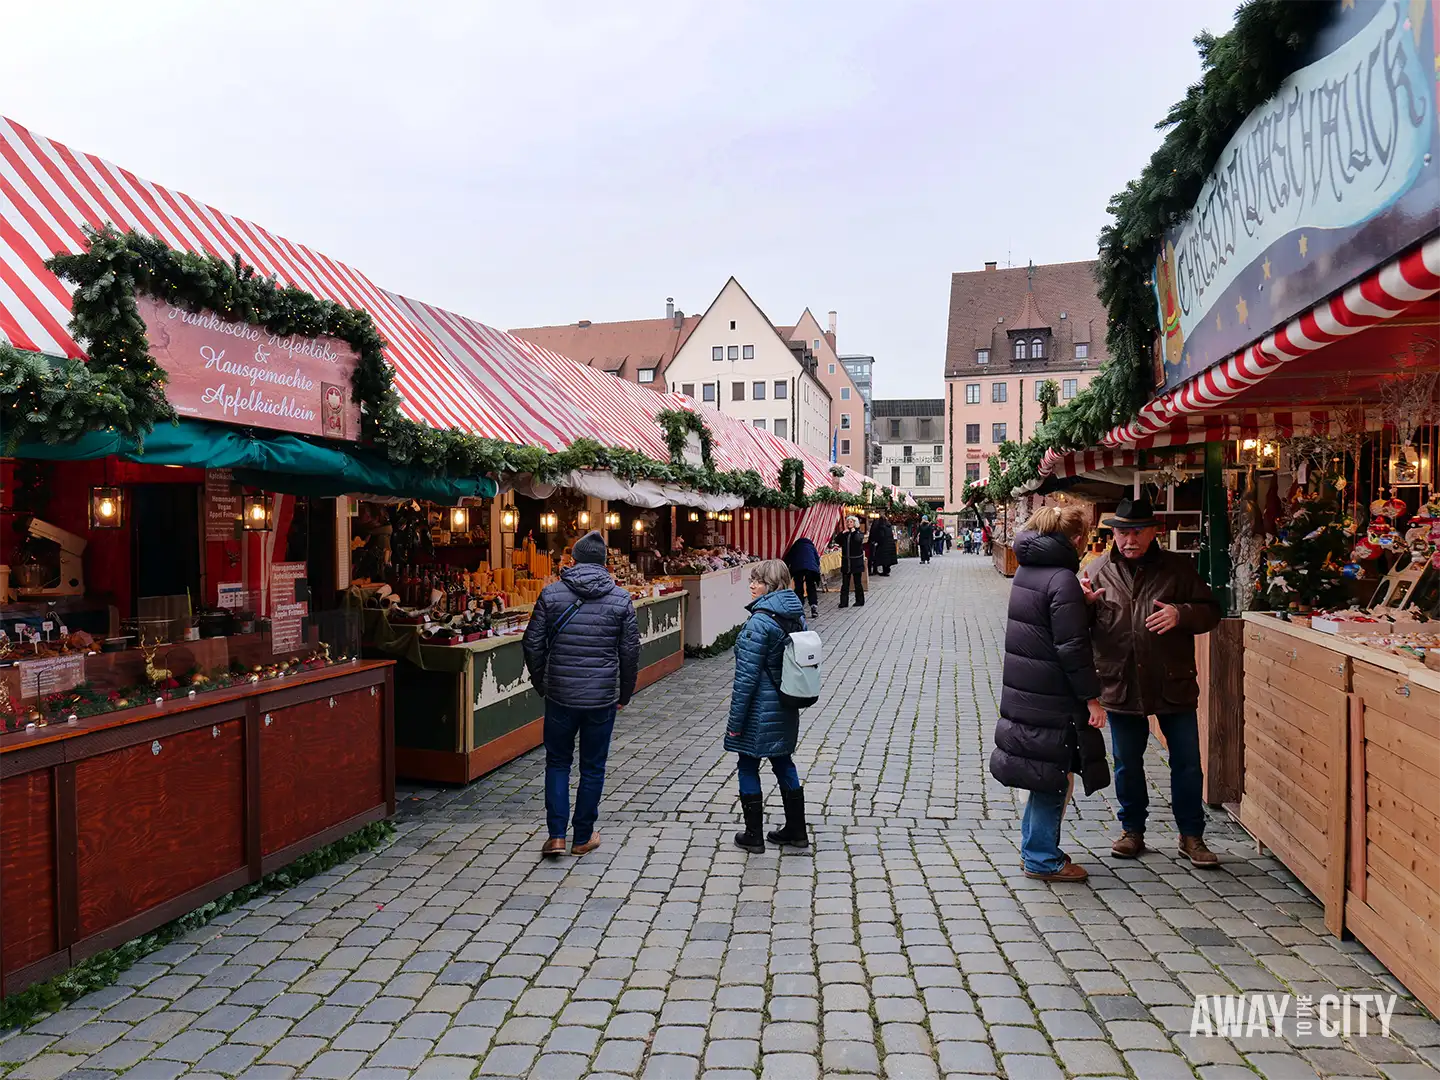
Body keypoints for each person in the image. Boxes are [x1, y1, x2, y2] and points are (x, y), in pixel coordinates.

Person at [1082, 496, 1223, 867]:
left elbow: (1212, 611)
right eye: (1123, 532)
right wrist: (1084, 607)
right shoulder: (1096, 571)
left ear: (1153, 532)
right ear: (1112, 533)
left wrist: (1182, 613)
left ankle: (1191, 835)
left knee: (1188, 763)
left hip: (1171, 680)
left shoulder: (1178, 568)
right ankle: (1132, 831)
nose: (1130, 540)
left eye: (1138, 532)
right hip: (1121, 682)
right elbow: (1077, 629)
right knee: (1127, 763)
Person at [990, 505, 1110, 882]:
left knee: (1042, 773)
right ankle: (1042, 858)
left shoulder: (1029, 569)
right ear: (1076, 540)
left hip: (1029, 688)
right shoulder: (1062, 578)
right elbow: (1072, 647)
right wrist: (1092, 698)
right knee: (1051, 775)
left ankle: (1035, 849)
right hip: (1052, 694)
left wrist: (1082, 606)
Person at [522, 530, 640, 859]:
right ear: (604, 563)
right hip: (602, 698)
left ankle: (556, 835)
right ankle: (583, 836)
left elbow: (532, 643)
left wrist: (543, 682)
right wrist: (625, 692)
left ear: (573, 560)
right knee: (593, 767)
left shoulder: (551, 594)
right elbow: (630, 652)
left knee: (558, 762)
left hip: (560, 695)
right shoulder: (620, 598)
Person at [726, 559, 810, 852]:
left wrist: (735, 724)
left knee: (747, 763)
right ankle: (796, 832)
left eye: (758, 581)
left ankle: (754, 835)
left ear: (771, 585)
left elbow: (745, 680)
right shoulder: (795, 616)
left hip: (758, 708)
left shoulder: (759, 622)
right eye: (752, 580)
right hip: (786, 703)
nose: (752, 585)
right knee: (783, 761)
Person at [784, 535, 821, 618]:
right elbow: (817, 559)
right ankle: (814, 607)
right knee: (811, 586)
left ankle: (799, 608)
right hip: (811, 569)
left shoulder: (795, 546)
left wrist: (786, 568)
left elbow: (788, 558)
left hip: (798, 569)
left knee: (798, 587)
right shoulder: (811, 547)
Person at [834, 516, 866, 608]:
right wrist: (842, 533)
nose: (849, 523)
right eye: (848, 522)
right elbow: (837, 540)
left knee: (857, 582)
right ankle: (844, 602)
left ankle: (860, 601)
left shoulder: (858, 533)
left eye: (851, 522)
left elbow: (858, 540)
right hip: (846, 562)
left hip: (856, 562)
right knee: (845, 583)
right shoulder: (845, 534)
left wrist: (854, 532)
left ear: (855, 523)